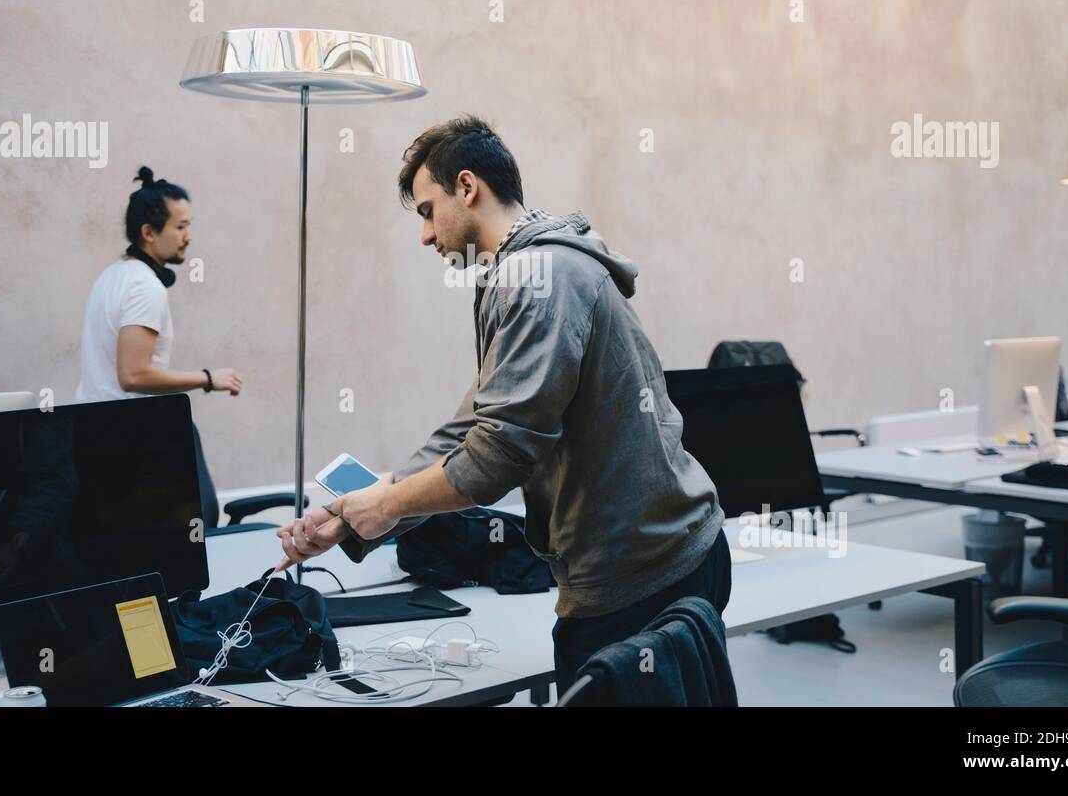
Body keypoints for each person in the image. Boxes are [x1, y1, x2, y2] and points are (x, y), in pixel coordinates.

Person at [276, 116, 729, 696]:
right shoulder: (531, 271)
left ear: (467, 188)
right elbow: (470, 431)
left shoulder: (538, 277)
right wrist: (351, 515)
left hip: (639, 577)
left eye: (425, 210)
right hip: (662, 558)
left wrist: (387, 505)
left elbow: (497, 456)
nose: (425, 236)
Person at [75, 166, 242, 402]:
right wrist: (208, 378)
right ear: (149, 233)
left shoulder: (111, 275)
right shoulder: (145, 287)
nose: (188, 237)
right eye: (180, 227)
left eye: (189, 226)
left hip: (93, 428)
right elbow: (133, 376)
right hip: (120, 432)